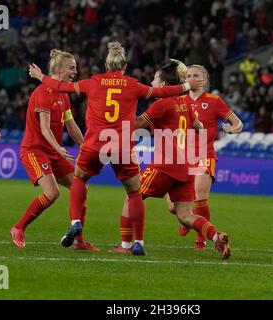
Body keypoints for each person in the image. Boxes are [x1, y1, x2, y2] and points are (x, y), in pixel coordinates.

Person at [29, 42, 203, 254]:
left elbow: (60, 87)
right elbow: (162, 91)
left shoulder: (93, 82)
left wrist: (39, 77)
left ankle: (76, 221)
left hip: (95, 144)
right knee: (134, 193)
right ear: (124, 66)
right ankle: (138, 243)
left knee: (80, 179)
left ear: (106, 63)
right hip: (121, 145)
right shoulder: (133, 85)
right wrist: (187, 86)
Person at [111, 60, 230, 259]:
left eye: (155, 79)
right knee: (185, 215)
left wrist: (120, 112)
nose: (151, 82)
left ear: (164, 86)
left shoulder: (161, 104)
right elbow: (199, 128)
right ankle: (216, 236)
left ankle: (125, 244)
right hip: (185, 168)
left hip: (164, 165)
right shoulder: (186, 104)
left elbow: (137, 124)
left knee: (132, 195)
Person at [10, 49, 97, 251]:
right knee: (52, 193)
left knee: (80, 188)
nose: (76, 71)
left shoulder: (63, 94)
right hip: (35, 150)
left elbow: (71, 125)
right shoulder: (42, 93)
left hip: (53, 151)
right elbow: (44, 128)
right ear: (58, 69)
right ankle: (18, 228)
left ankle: (79, 241)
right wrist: (58, 148)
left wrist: (86, 147)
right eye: (72, 67)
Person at [167, 64, 243, 251]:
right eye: (189, 75)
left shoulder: (214, 101)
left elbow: (238, 123)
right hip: (181, 156)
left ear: (204, 80)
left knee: (200, 197)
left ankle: (200, 240)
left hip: (204, 154)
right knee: (172, 207)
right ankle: (188, 219)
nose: (192, 77)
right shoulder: (177, 100)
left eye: (196, 75)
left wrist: (232, 129)